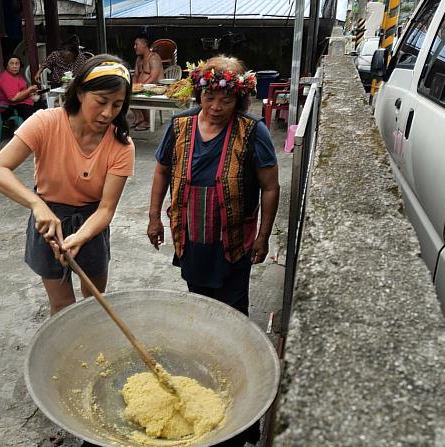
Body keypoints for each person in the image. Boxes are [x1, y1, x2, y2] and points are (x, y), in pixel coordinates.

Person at [147, 55, 278, 446]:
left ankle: (240, 407)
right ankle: (205, 382)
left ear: (240, 99)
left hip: (233, 241)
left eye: (225, 100)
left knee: (233, 314)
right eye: (209, 97)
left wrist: (264, 236)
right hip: (192, 237)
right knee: (199, 308)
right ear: (199, 92)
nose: (216, 107)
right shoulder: (180, 126)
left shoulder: (252, 132)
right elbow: (162, 172)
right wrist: (154, 217)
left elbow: (269, 187)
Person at [0, 55, 135, 315]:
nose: (107, 113)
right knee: (62, 305)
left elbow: (106, 209)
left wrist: (81, 236)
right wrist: (37, 204)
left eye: (117, 105)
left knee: (95, 301)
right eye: (101, 101)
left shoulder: (121, 145)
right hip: (48, 223)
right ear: (79, 92)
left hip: (91, 223)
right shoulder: (46, 122)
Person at [131, 34, 163, 130]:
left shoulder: (154, 57)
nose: (134, 47)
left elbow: (153, 77)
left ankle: (147, 121)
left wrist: (141, 87)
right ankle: (139, 117)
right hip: (141, 87)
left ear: (144, 44)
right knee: (124, 94)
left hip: (154, 87)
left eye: (136, 44)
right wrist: (133, 86)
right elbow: (136, 75)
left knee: (141, 95)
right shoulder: (138, 59)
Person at [0, 56, 41, 120]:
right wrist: (29, 90)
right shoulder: (5, 78)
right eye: (12, 63)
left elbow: (23, 90)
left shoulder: (18, 76)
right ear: (6, 65)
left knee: (42, 107)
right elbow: (13, 98)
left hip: (24, 103)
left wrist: (32, 92)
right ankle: (31, 129)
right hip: (10, 108)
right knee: (32, 113)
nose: (15, 66)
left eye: (17, 63)